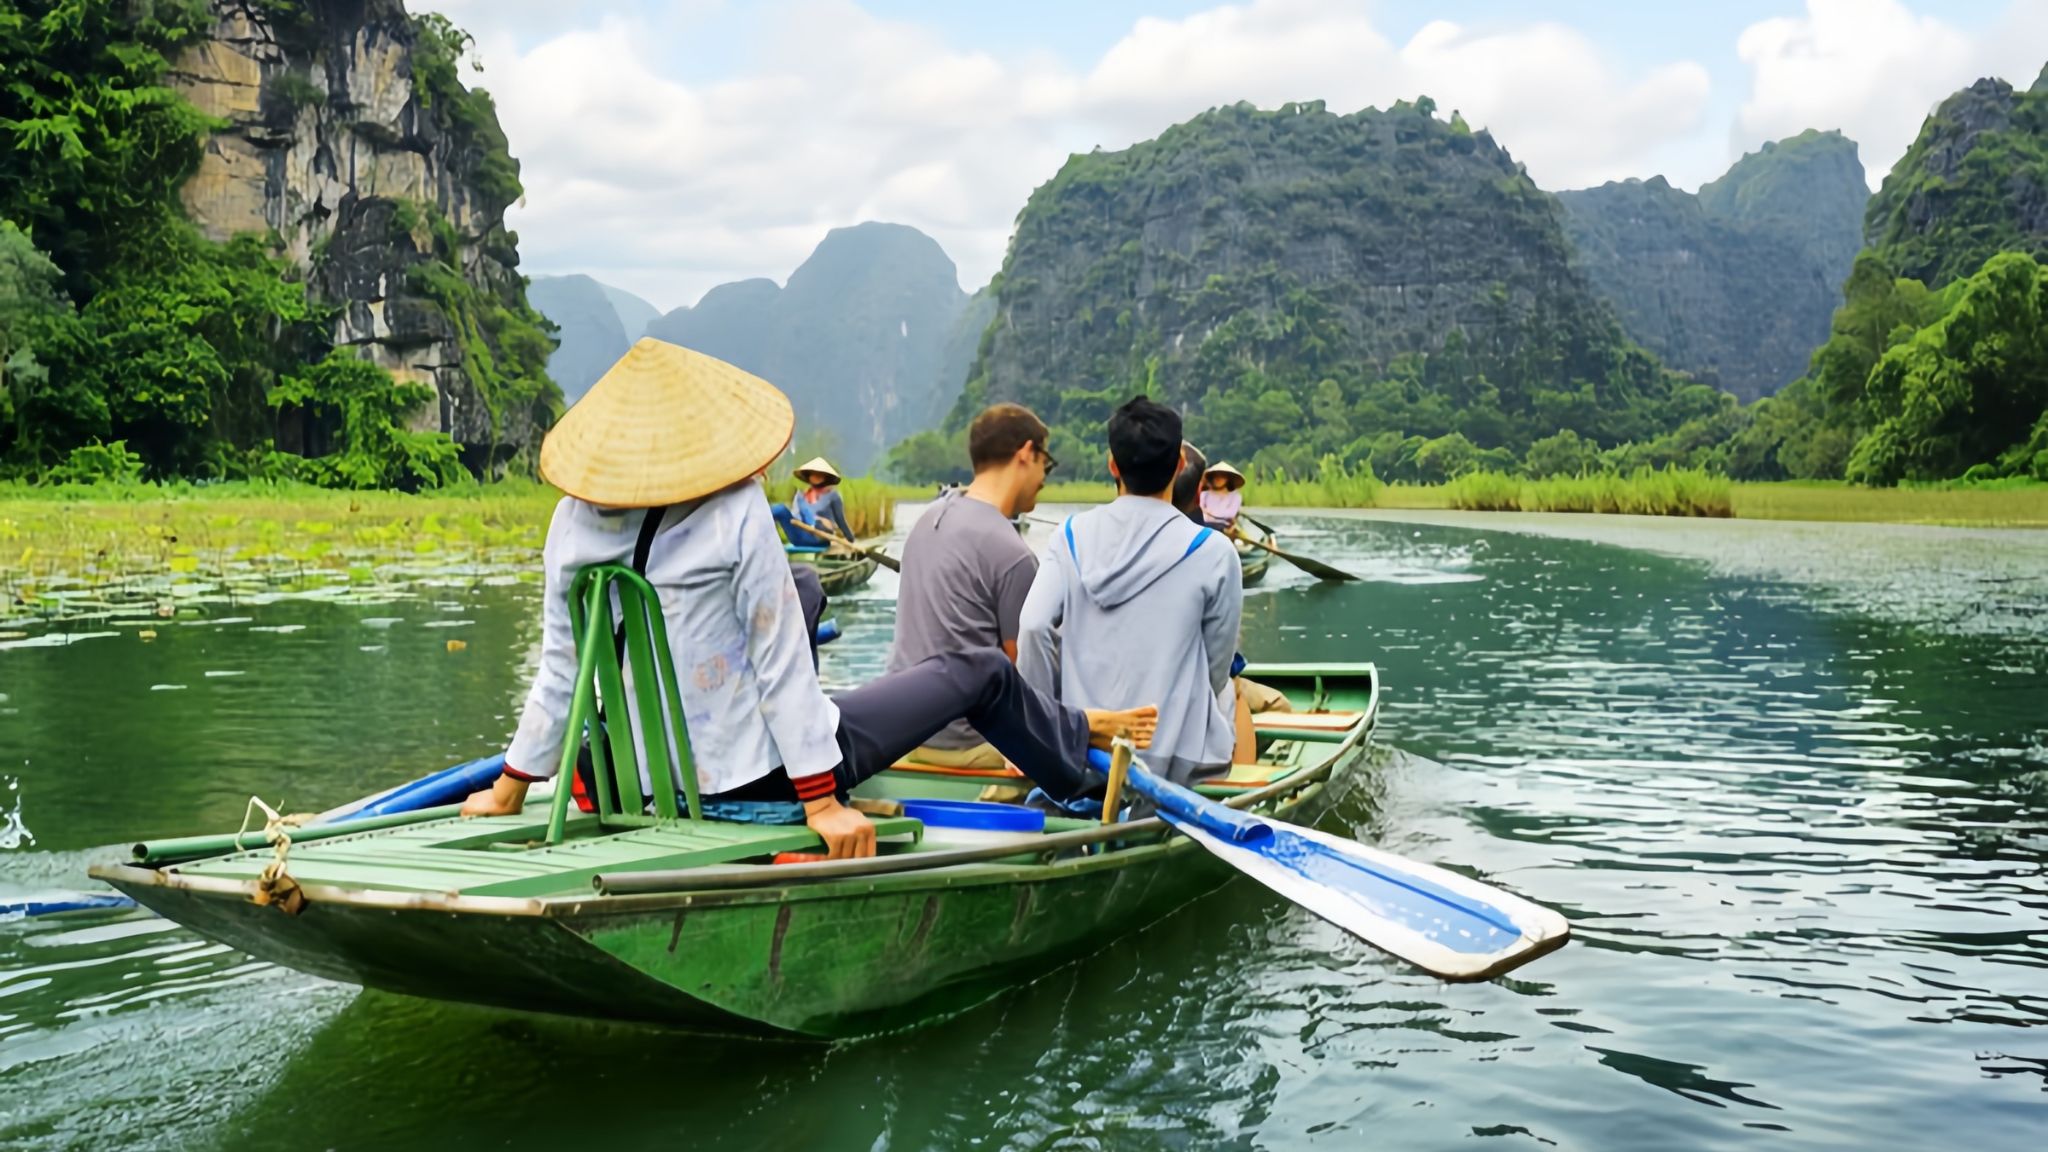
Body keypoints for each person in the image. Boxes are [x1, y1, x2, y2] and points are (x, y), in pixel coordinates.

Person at [460, 338, 1156, 857]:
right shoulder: (735, 509)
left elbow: (560, 668)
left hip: (624, 776)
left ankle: (1074, 726)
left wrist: (509, 789)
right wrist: (821, 804)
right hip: (753, 781)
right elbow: (779, 662)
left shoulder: (571, 522)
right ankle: (1077, 773)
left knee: (805, 591)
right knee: (980, 671)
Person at [1019, 397, 1242, 786]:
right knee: (1230, 691)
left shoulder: (1069, 535)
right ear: (1179, 465)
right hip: (1175, 760)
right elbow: (1215, 668)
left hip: (1086, 751)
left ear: (1112, 465)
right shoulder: (1215, 551)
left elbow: (1034, 626)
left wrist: (1044, 732)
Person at [889, 403, 1055, 774]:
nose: (1045, 476)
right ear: (1026, 453)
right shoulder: (1013, 555)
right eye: (1046, 461)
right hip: (963, 744)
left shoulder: (927, 520)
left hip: (900, 728)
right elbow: (1023, 673)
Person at [785, 457, 854, 549]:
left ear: (825, 477)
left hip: (821, 535)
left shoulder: (833, 496)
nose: (816, 477)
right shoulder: (801, 496)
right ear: (808, 475)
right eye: (813, 474)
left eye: (820, 474)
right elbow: (796, 517)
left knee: (820, 523)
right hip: (804, 534)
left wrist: (850, 538)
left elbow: (840, 519)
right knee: (782, 511)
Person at [1199, 462, 1245, 531]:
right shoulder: (1204, 494)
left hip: (1224, 527)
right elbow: (1200, 511)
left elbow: (1230, 514)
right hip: (1203, 526)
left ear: (1228, 478)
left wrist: (1208, 512)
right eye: (1216, 475)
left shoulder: (1235, 496)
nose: (1218, 479)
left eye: (1222, 476)